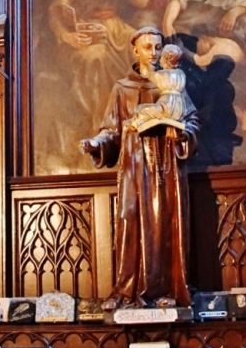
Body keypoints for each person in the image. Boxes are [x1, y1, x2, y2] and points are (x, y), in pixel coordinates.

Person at [81, 27, 198, 308]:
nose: (154, 53)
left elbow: (192, 118)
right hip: (134, 165)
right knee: (130, 221)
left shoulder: (173, 85)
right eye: (148, 47)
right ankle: (127, 291)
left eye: (158, 47)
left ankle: (167, 291)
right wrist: (96, 143)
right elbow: (111, 129)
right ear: (136, 50)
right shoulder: (123, 88)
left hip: (168, 165)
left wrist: (184, 132)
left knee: (166, 223)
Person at [35, 0, 153, 170]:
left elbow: (139, 0)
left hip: (116, 29)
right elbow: (57, 6)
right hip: (82, 31)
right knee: (95, 59)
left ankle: (144, 132)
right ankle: (104, 133)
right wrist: (68, 37)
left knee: (150, 52)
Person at [128, 43, 189, 131]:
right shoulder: (181, 74)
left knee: (143, 110)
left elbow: (151, 76)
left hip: (166, 107)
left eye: (158, 49)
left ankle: (135, 124)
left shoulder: (163, 74)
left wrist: (150, 68)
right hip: (180, 109)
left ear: (165, 61)